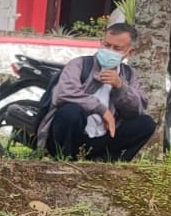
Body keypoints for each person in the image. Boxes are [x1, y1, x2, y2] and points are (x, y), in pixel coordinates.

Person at [37, 23, 154, 161]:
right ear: (101, 42)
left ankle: (107, 161)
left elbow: (137, 110)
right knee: (71, 111)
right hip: (71, 136)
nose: (109, 50)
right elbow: (65, 93)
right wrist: (102, 110)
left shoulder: (129, 75)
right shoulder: (80, 64)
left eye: (117, 48)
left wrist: (120, 87)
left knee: (146, 123)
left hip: (103, 137)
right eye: (106, 45)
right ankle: (64, 158)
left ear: (129, 52)